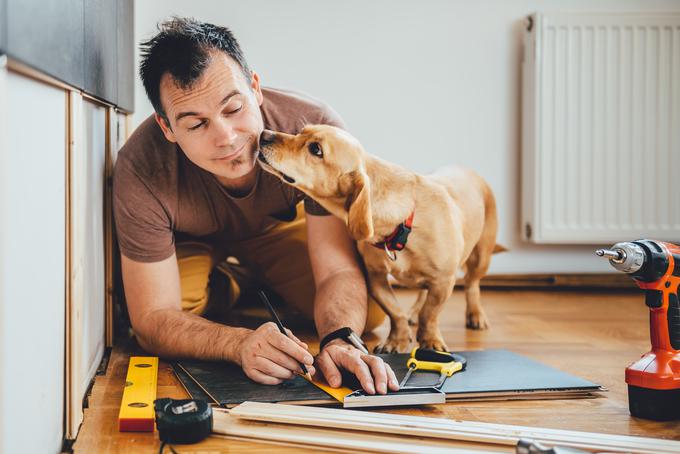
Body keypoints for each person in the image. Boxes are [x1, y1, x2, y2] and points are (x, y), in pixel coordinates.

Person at [113, 17, 399, 395]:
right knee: (179, 312)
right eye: (196, 125)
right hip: (190, 239)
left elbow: (334, 271)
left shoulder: (314, 128)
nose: (226, 138)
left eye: (233, 109)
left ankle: (253, 275)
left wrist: (340, 338)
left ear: (255, 88)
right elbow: (151, 319)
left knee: (371, 312)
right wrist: (237, 343)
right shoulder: (140, 167)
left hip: (274, 228)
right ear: (167, 128)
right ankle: (234, 283)